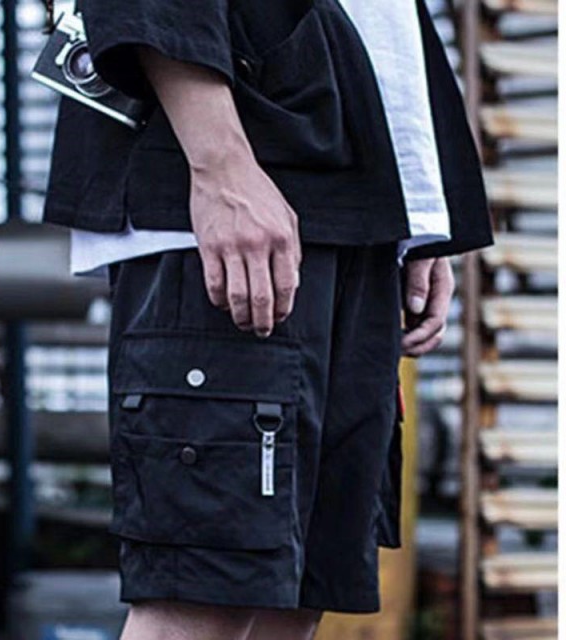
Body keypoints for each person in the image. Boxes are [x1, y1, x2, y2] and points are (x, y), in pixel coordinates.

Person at [41, 1, 495, 638]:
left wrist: (420, 215)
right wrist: (220, 164)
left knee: (297, 592)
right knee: (206, 590)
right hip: (236, 183)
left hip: (356, 198)